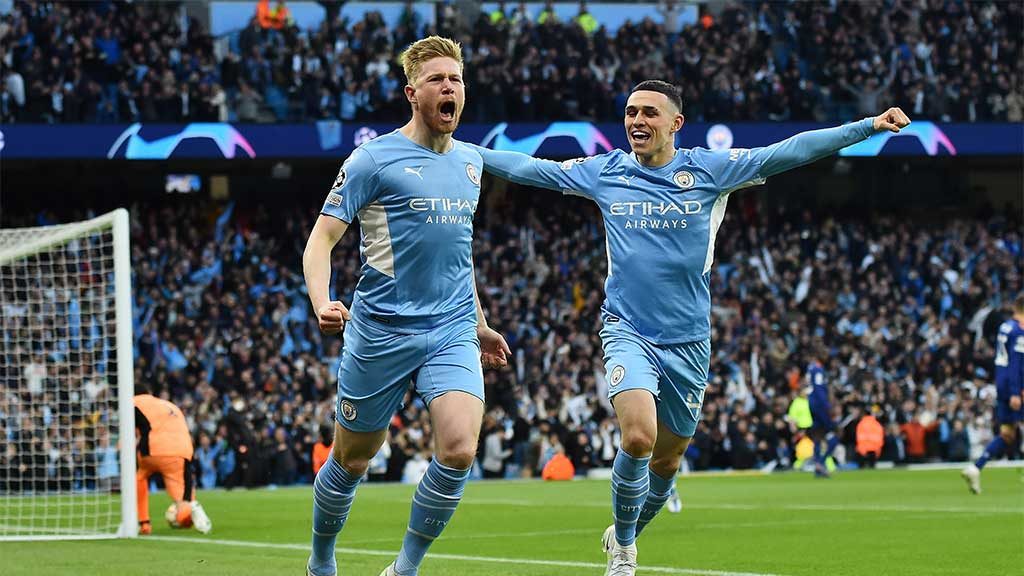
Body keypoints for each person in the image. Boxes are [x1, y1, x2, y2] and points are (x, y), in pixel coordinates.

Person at [473, 79, 910, 575]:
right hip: (627, 329)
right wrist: (460, 150)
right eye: (631, 112)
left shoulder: (709, 170)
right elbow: (532, 168)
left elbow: (789, 151)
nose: (637, 121)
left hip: (689, 342)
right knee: (638, 437)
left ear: (675, 123)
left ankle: (624, 531)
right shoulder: (607, 171)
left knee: (667, 461)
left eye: (649, 113)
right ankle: (624, 553)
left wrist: (867, 127)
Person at [302, 35, 511, 576]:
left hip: (451, 328)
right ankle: (321, 562)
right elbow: (321, 240)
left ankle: (404, 569)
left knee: (460, 449)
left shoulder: (470, 162)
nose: (450, 88)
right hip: (381, 330)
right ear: (412, 93)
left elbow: (457, 256)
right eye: (437, 79)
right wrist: (322, 300)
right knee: (352, 459)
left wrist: (480, 324)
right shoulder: (373, 159)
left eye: (456, 79)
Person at [962, 293, 1024, 494]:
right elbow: (1015, 363)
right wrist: (1015, 392)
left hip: (1002, 385)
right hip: (1015, 388)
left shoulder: (1005, 327)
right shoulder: (1019, 331)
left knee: (1007, 434)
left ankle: (976, 467)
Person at [134, 391, 212, 535]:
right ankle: (190, 510)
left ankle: (144, 523)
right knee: (184, 500)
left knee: (139, 478)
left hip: (152, 450)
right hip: (181, 452)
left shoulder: (135, 402)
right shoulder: (170, 405)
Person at [806, 354, 839, 477]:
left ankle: (818, 467)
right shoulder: (818, 370)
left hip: (812, 405)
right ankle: (820, 463)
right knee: (835, 433)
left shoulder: (810, 368)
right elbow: (819, 388)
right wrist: (827, 406)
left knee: (818, 437)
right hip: (820, 406)